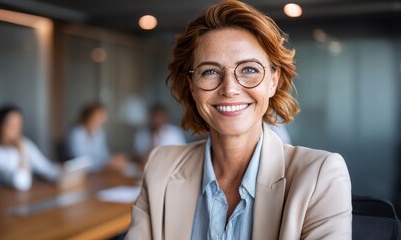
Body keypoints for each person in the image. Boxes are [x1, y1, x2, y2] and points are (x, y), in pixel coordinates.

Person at [125, 1, 352, 240]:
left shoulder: (320, 176)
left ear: (273, 81)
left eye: (249, 69)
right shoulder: (161, 166)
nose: (230, 89)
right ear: (192, 86)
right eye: (210, 71)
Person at [0, 105, 61, 191]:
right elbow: (21, 183)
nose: (16, 129)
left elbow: (46, 168)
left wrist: (64, 173)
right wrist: (21, 150)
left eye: (19, 124)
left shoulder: (25, 143)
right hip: (3, 199)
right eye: (11, 124)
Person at [67, 102, 126, 172]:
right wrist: (104, 164)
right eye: (98, 117)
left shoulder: (99, 133)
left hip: (97, 173)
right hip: (79, 175)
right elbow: (80, 161)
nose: (100, 121)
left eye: (102, 117)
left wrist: (113, 160)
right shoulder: (76, 133)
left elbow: (104, 155)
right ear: (88, 117)